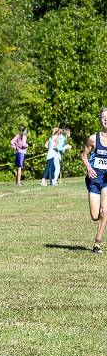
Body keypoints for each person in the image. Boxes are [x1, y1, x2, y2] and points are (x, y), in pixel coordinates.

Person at [81, 109, 107, 254]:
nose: (106, 120)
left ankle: (97, 243)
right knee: (95, 216)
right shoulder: (93, 138)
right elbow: (84, 155)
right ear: (100, 120)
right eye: (104, 118)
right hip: (94, 180)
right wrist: (89, 168)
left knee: (105, 212)